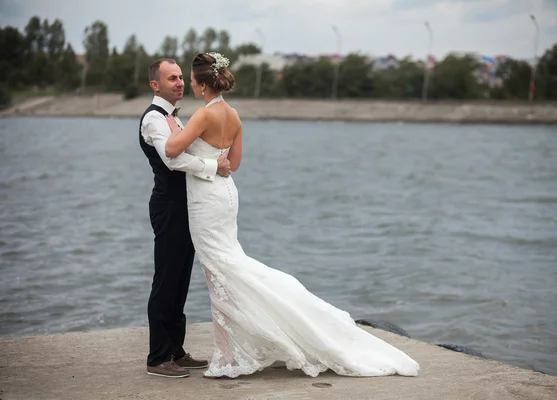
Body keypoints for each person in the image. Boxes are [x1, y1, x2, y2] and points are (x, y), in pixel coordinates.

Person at [164, 52, 420, 379]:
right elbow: (235, 164)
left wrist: (174, 129)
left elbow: (172, 150)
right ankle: (229, 351)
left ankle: (228, 356)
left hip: (207, 199)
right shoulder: (234, 115)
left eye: (192, 80)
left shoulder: (203, 115)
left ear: (201, 85)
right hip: (226, 194)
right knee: (226, 268)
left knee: (219, 274)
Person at [139, 58, 232, 378]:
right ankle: (158, 357)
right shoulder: (153, 119)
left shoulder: (174, 117)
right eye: (172, 78)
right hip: (168, 207)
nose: (179, 83)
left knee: (179, 281)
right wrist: (212, 168)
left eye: (181, 77)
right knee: (166, 280)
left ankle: (175, 351)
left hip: (189, 205)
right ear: (156, 85)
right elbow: (171, 161)